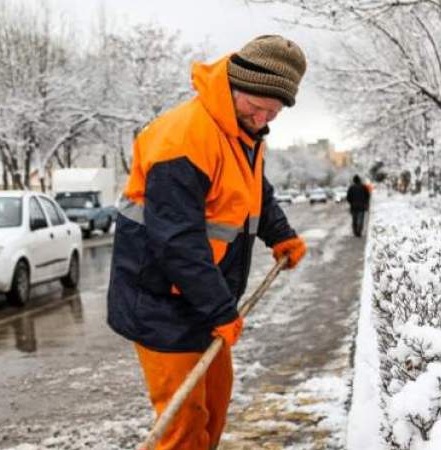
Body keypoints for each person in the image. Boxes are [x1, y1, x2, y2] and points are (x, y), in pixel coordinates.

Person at [106, 35, 308, 450]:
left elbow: (255, 193)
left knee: (213, 411)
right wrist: (219, 308)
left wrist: (281, 234)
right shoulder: (184, 138)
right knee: (183, 427)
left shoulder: (243, 134)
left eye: (274, 111)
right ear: (236, 85)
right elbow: (177, 240)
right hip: (161, 302)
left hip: (202, 299)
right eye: (257, 106)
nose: (263, 118)